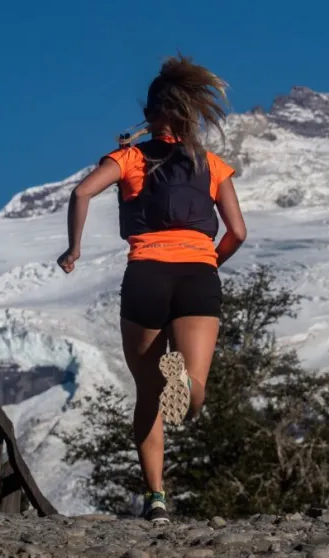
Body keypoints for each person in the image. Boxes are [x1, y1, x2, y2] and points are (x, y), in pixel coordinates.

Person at [56, 55, 248, 524]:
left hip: (146, 275)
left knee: (148, 393)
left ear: (151, 112)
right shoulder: (212, 164)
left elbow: (81, 193)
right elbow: (238, 232)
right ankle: (186, 383)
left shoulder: (129, 157)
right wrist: (207, 263)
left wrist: (73, 249)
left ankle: (156, 499)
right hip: (198, 275)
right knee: (193, 393)